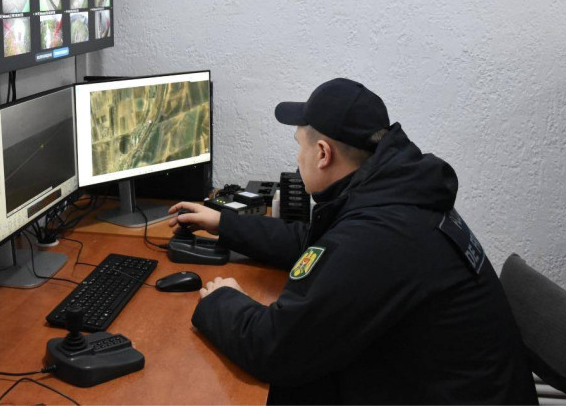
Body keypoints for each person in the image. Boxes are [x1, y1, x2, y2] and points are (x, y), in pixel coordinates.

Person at [170, 78, 537, 404]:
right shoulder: (396, 195)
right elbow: (316, 244)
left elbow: (274, 348)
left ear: (323, 153)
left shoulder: (377, 235)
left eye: (299, 146)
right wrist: (225, 224)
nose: (297, 158)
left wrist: (222, 299)